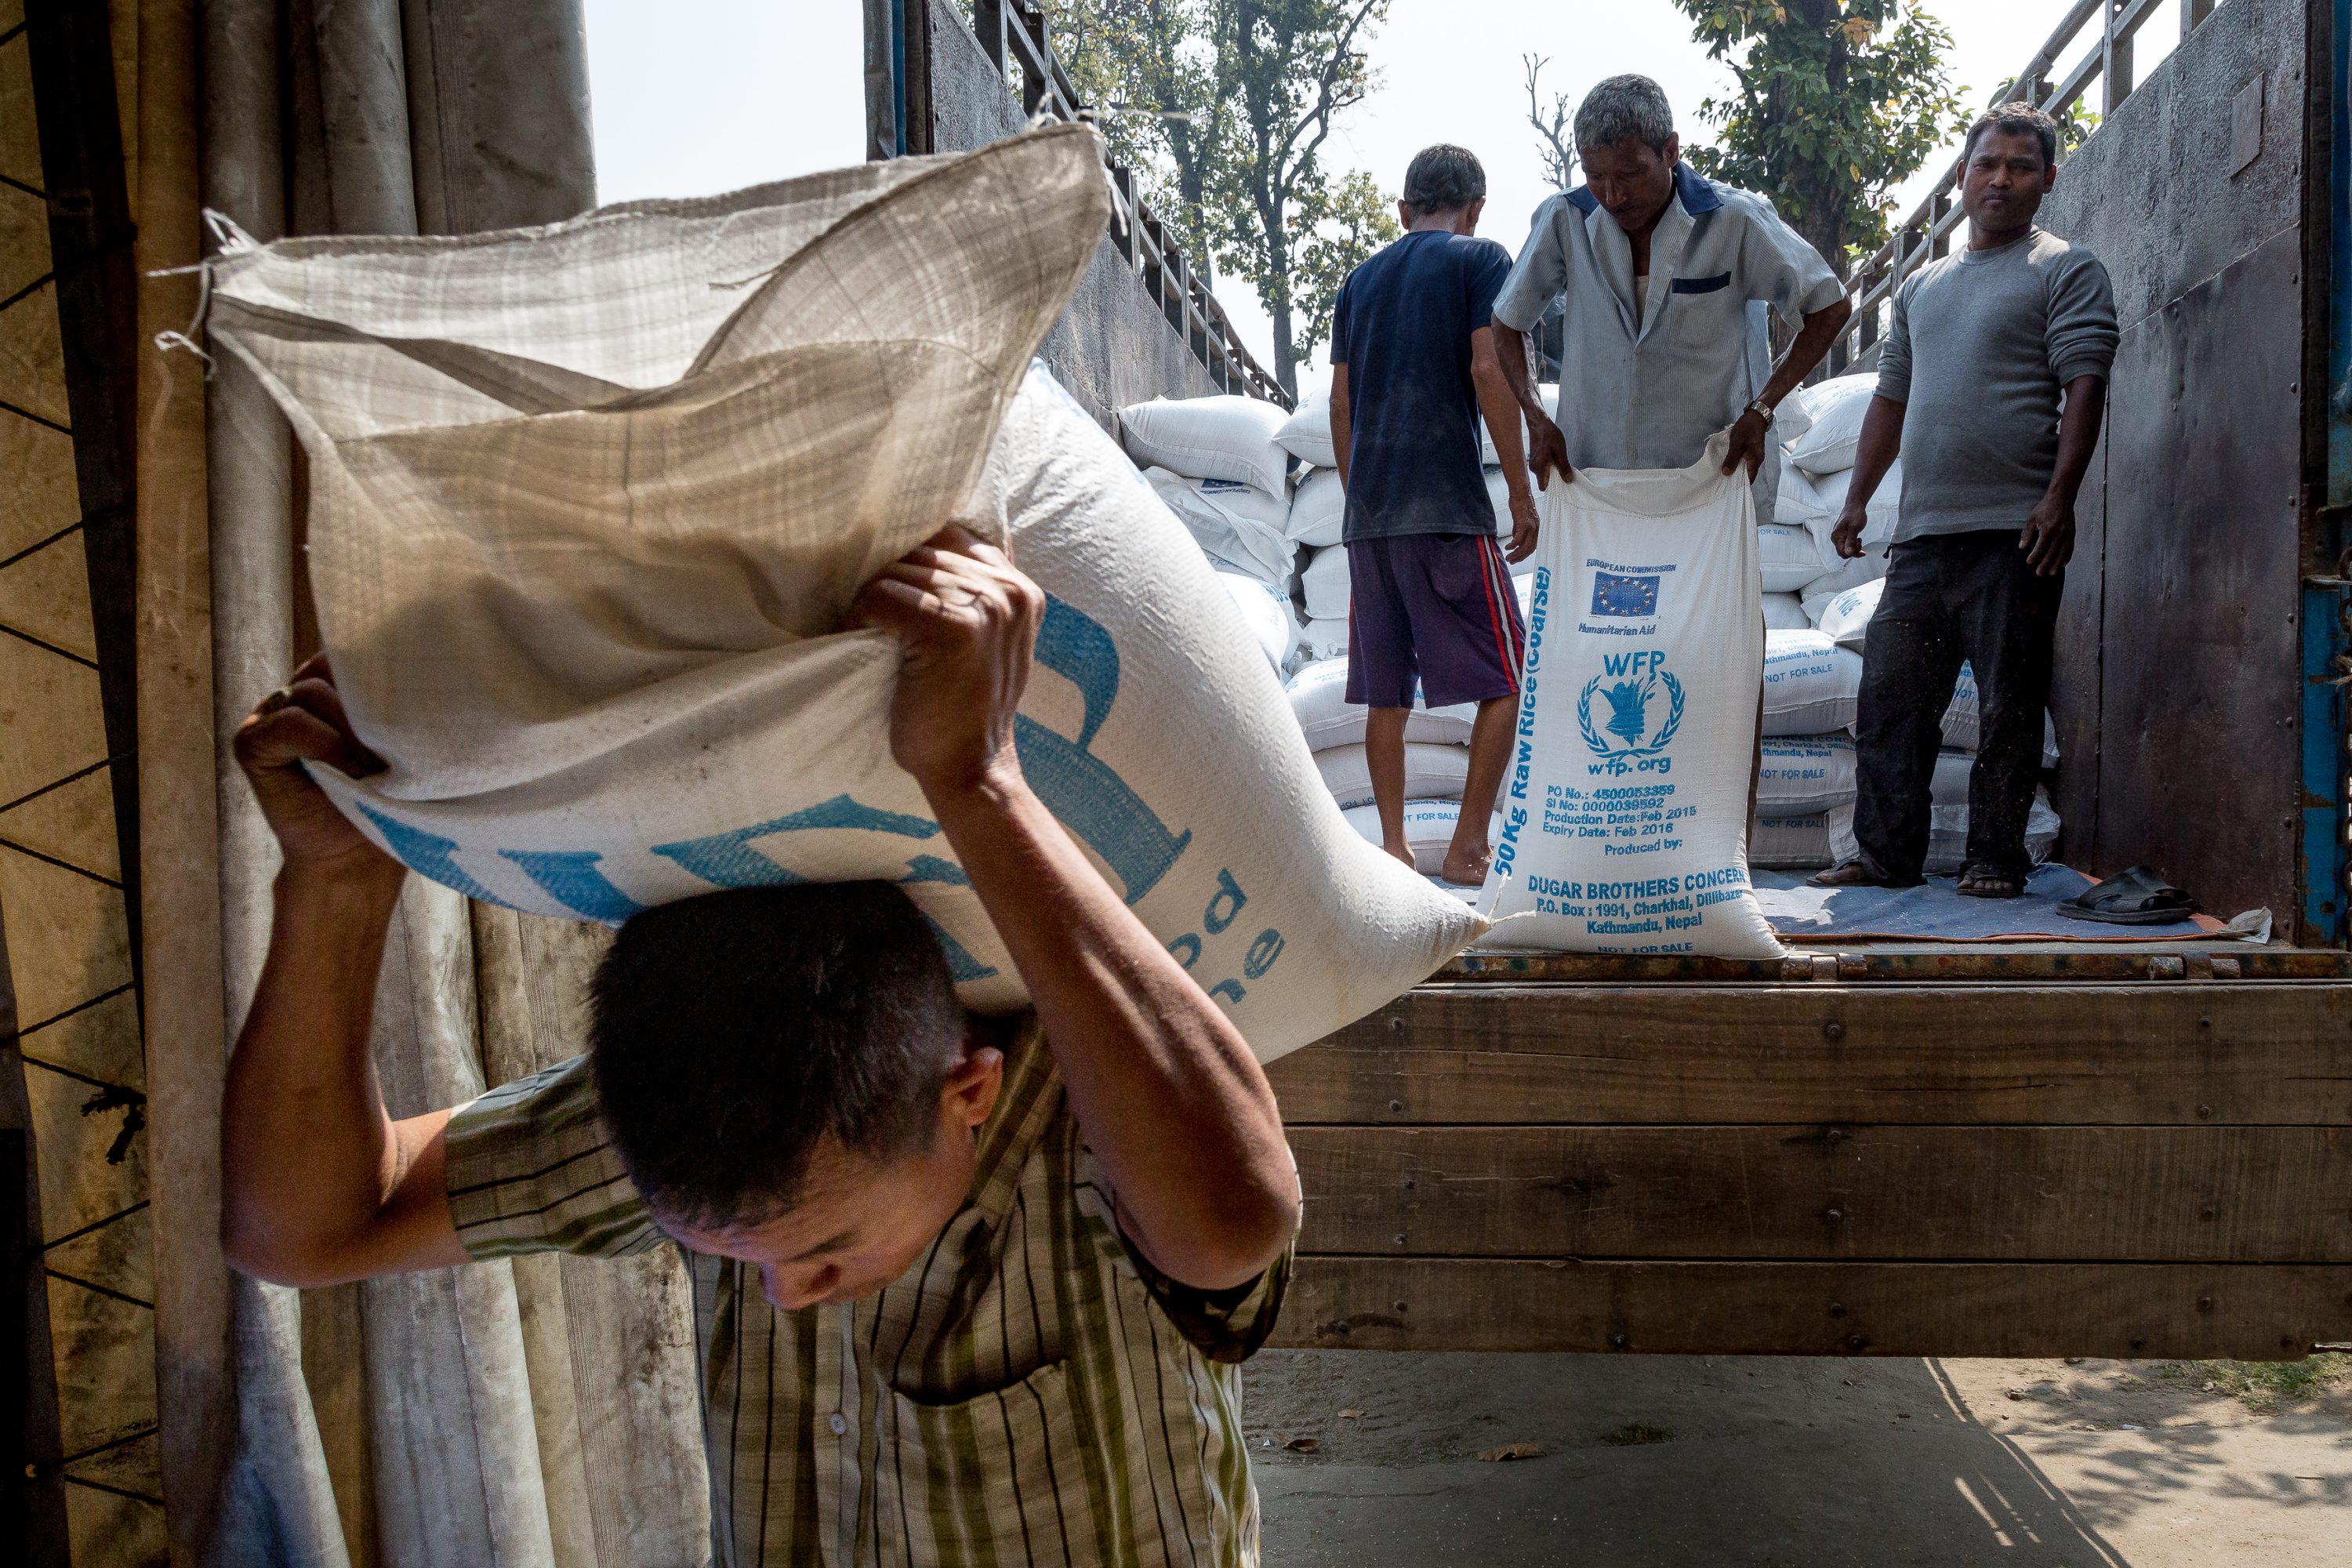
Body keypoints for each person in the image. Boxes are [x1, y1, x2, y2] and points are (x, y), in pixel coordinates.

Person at [220, 526, 1303, 1566]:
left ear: (966, 1092)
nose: (786, 1296)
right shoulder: (726, 1114)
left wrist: (976, 779)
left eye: (824, 1249)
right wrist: (333, 884)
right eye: (741, 1260)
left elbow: (1235, 1220)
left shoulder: (1094, 1117)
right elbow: (304, 1233)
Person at [1812, 102, 2116, 898]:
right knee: (1889, 702)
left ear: (2048, 180)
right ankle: (1884, 855)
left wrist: (2060, 497)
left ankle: (1994, 858)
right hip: (1922, 538)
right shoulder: (1921, 287)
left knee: (2010, 708)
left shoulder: (2065, 268)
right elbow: (1890, 401)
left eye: (2021, 166)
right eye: (1988, 163)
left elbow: (2086, 383)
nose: (2002, 179)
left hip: (2015, 533)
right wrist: (1855, 501)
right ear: (1962, 175)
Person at [1490, 74, 1853, 521]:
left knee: (1712, 594)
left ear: (1670, 151)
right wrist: (1535, 415)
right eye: (1595, 175)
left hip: (1709, 482)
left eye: (1629, 174)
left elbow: (1830, 305)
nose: (1612, 195)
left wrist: (1762, 409)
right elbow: (1507, 320)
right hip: (1596, 484)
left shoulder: (1735, 219)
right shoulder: (1564, 219)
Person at [1328, 143, 1536, 885]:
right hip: (1448, 510)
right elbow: (1489, 368)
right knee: (1507, 675)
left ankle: (1392, 848)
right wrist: (1518, 489)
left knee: (1387, 694)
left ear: (1402, 208)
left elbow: (1342, 403)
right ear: (1475, 209)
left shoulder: (1357, 282)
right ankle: (1467, 844)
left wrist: (1363, 505)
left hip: (1371, 523)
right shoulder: (1480, 261)